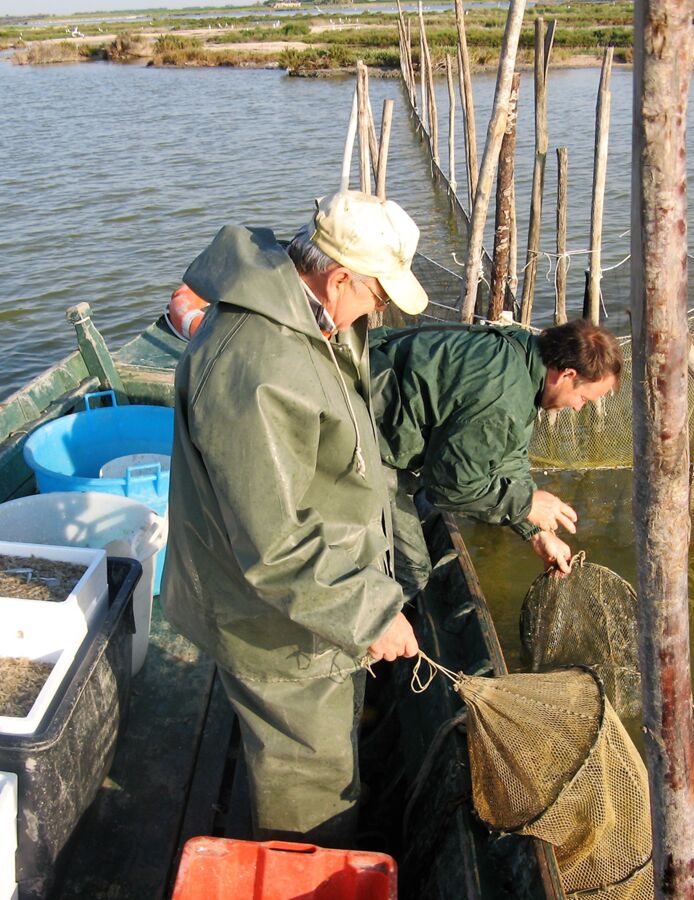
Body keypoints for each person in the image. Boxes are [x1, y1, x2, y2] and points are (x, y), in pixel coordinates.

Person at [160, 190, 428, 848]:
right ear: (338, 278)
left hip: (317, 601)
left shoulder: (312, 314)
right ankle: (298, 873)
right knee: (307, 783)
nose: (380, 312)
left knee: (327, 753)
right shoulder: (258, 368)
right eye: (379, 297)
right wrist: (369, 612)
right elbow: (275, 545)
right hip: (274, 624)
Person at [369, 318, 621, 594]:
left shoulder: (523, 357)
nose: (576, 409)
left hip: (379, 393)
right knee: (413, 572)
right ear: (567, 375)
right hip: (366, 432)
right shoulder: (502, 398)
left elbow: (509, 458)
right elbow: (448, 488)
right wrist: (525, 504)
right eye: (583, 399)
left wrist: (537, 534)